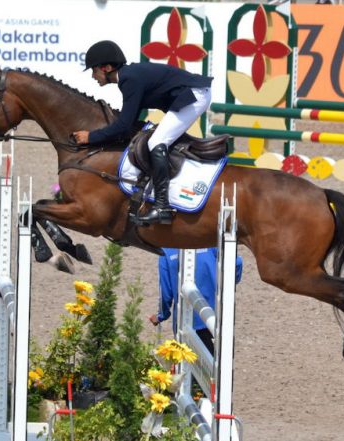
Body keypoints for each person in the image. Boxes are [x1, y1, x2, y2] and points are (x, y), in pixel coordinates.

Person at [71, 40, 214, 225]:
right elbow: (128, 121)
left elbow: (123, 125)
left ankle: (163, 207)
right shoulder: (129, 77)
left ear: (106, 68)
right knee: (156, 138)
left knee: (156, 142)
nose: (93, 76)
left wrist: (91, 137)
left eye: (94, 70)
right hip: (192, 94)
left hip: (195, 95)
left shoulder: (129, 79)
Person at [149, 248, 243, 355]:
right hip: (218, 315)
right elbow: (237, 262)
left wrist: (161, 315)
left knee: (190, 364)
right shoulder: (209, 242)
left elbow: (165, 293)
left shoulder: (166, 250)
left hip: (187, 321)